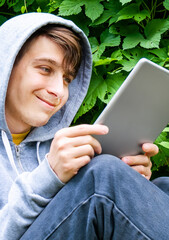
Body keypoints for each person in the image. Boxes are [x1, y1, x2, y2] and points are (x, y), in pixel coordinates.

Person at [0, 12, 168, 240]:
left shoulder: (61, 146)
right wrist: (49, 175)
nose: (58, 91)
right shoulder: (57, 157)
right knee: (103, 176)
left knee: (162, 187)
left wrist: (131, 186)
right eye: (45, 69)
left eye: (67, 79)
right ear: (6, 65)